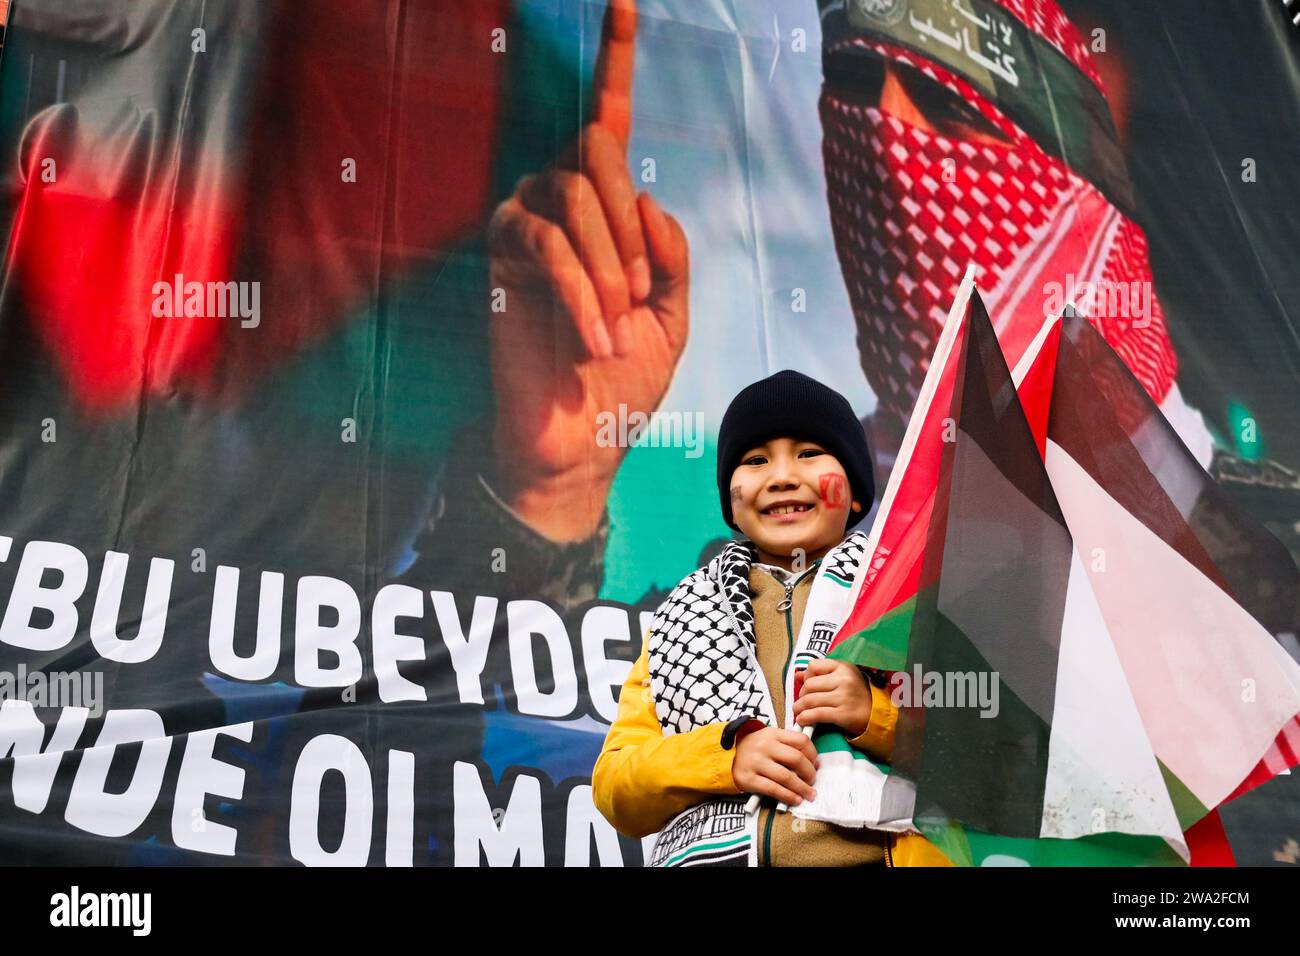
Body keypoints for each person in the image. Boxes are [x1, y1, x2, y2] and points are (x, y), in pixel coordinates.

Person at [590, 370, 952, 866]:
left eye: (809, 454)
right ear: (731, 506)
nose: (782, 475)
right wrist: (726, 759)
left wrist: (876, 716)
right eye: (756, 460)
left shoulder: (904, 595)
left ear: (857, 493)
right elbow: (616, 786)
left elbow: (995, 758)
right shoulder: (682, 616)